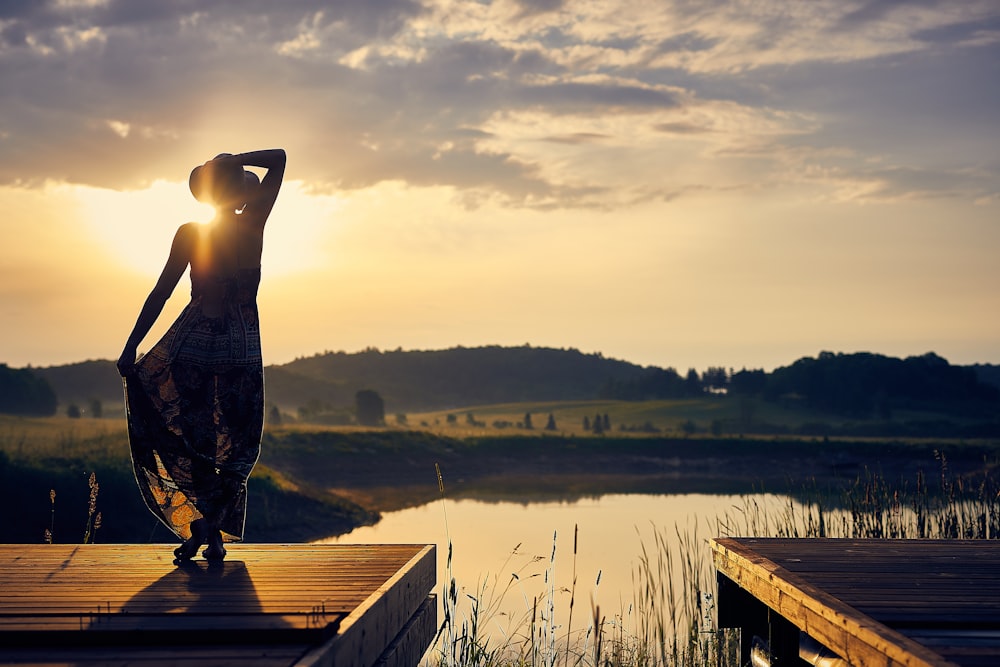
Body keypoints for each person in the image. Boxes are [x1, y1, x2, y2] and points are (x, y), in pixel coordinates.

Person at [117, 149, 286, 563]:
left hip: (191, 346)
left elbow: (161, 293)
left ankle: (208, 532)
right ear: (235, 191)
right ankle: (211, 532)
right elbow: (279, 158)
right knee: (239, 447)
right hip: (238, 352)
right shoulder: (252, 225)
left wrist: (132, 344)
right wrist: (233, 155)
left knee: (200, 445)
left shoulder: (192, 232)